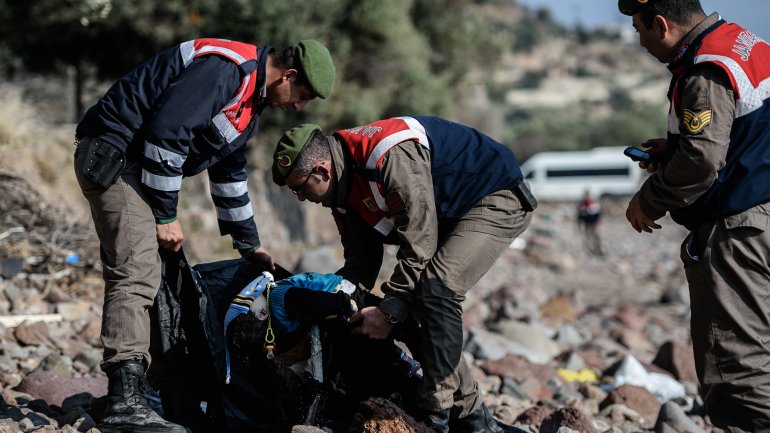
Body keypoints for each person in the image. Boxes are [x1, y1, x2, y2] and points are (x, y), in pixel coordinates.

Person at [73, 38, 335, 433]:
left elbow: (229, 174)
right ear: (289, 75)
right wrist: (165, 214)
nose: (298, 106)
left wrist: (250, 244)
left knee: (160, 282)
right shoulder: (227, 69)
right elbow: (166, 133)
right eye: (301, 95)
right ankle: (123, 402)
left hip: (138, 167)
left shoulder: (248, 105)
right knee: (137, 271)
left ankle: (151, 395)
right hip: (116, 157)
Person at [270, 116, 536, 433]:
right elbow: (360, 263)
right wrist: (340, 303)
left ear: (322, 170)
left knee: (437, 290)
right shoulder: (341, 193)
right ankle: (475, 420)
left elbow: (420, 242)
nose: (301, 199)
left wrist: (389, 314)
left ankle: (435, 414)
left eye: (300, 189)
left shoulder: (387, 154)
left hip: (493, 194)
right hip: (446, 214)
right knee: (415, 300)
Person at [618, 1, 770, 431]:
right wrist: (674, 150)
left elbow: (703, 160)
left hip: (740, 228)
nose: (640, 40)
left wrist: (649, 200)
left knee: (738, 367)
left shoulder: (706, 66)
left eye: (639, 29)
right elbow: (746, 134)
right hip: (764, 213)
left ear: (661, 24)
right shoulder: (747, 44)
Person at [577, 190, 603, 256]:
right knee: (588, 236)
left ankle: (598, 249)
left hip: (594, 223)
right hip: (587, 223)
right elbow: (579, 214)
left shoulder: (594, 203)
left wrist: (599, 221)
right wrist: (579, 224)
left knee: (596, 236)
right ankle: (589, 250)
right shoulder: (582, 204)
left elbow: (599, 212)